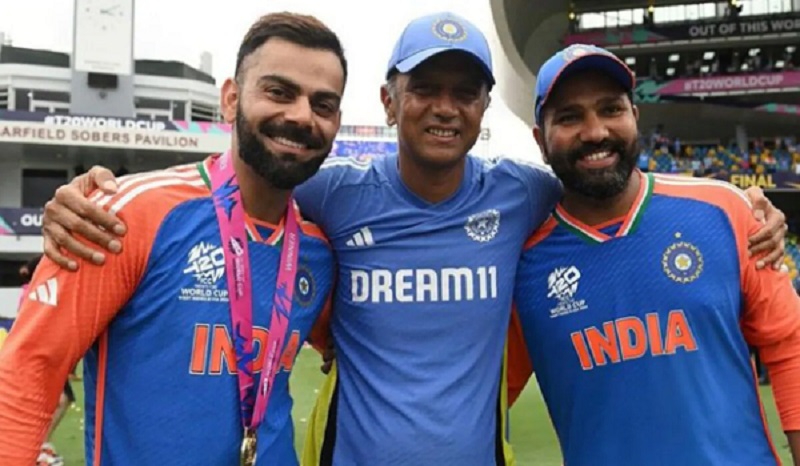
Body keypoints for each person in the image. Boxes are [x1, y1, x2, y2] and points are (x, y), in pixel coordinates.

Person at [36, 13, 789, 466]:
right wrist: (97, 192)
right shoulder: (331, 195)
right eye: (424, 88)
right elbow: (244, 190)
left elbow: (605, 180)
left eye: (465, 92)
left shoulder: (523, 195)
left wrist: (742, 204)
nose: (444, 107)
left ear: (487, 110)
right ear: (389, 101)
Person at [0, 12, 343, 465]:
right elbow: (29, 369)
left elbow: (358, 343)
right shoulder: (124, 215)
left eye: (323, 104)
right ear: (231, 99)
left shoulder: (318, 251)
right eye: (279, 92)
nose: (301, 116)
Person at [510, 44, 800, 465]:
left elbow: (790, 346)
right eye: (570, 117)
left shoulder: (726, 211)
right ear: (540, 139)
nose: (595, 132)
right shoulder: (523, 265)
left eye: (611, 109)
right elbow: (480, 399)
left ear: (634, 116)